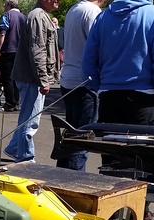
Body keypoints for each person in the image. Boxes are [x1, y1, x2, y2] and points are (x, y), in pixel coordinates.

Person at [81, 0, 154, 220]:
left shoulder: (103, 17)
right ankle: (139, 210)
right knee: (143, 156)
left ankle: (110, 208)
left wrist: (99, 84)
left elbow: (88, 60)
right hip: (143, 94)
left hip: (110, 93)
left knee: (112, 154)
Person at [3, 0, 59, 163]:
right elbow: (38, 50)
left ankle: (14, 148)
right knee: (30, 121)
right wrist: (43, 79)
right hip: (32, 78)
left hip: (31, 77)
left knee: (28, 117)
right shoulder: (38, 16)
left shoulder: (41, 15)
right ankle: (26, 159)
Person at [53, 0, 104, 171]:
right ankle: (73, 182)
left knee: (70, 136)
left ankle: (61, 178)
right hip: (84, 81)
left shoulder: (74, 9)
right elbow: (98, 46)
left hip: (69, 77)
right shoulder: (93, 11)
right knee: (82, 139)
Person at [0, 0, 26, 112]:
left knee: (7, 78)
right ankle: (16, 102)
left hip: (8, 50)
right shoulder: (24, 17)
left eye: (5, 5)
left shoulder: (6, 15)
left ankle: (9, 103)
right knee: (17, 77)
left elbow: (3, 33)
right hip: (20, 51)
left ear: (9, 5)